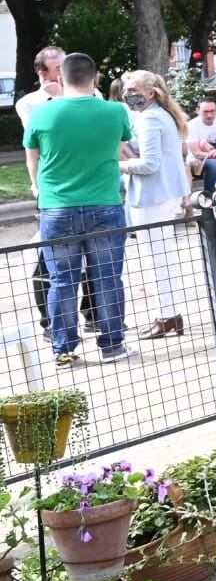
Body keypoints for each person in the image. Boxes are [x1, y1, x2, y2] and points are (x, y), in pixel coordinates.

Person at [22, 52, 132, 366]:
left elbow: (32, 159)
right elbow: (119, 147)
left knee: (62, 280)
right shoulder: (116, 111)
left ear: (61, 78)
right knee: (107, 277)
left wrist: (39, 190)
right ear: (94, 78)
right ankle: (112, 344)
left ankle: (64, 350)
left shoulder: (41, 113)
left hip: (57, 206)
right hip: (105, 203)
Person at [118, 71, 194, 340]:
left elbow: (149, 164)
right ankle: (169, 314)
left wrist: (117, 165)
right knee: (162, 256)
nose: (127, 94)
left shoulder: (149, 118)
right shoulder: (161, 114)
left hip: (153, 195)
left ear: (150, 93)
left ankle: (167, 316)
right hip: (164, 193)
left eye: (133, 89)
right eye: (126, 89)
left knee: (156, 259)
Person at [186, 97, 216, 194]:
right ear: (197, 111)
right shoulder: (191, 126)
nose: (209, 115)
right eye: (205, 112)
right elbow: (197, 154)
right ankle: (210, 197)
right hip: (196, 163)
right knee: (213, 164)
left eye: (212, 111)